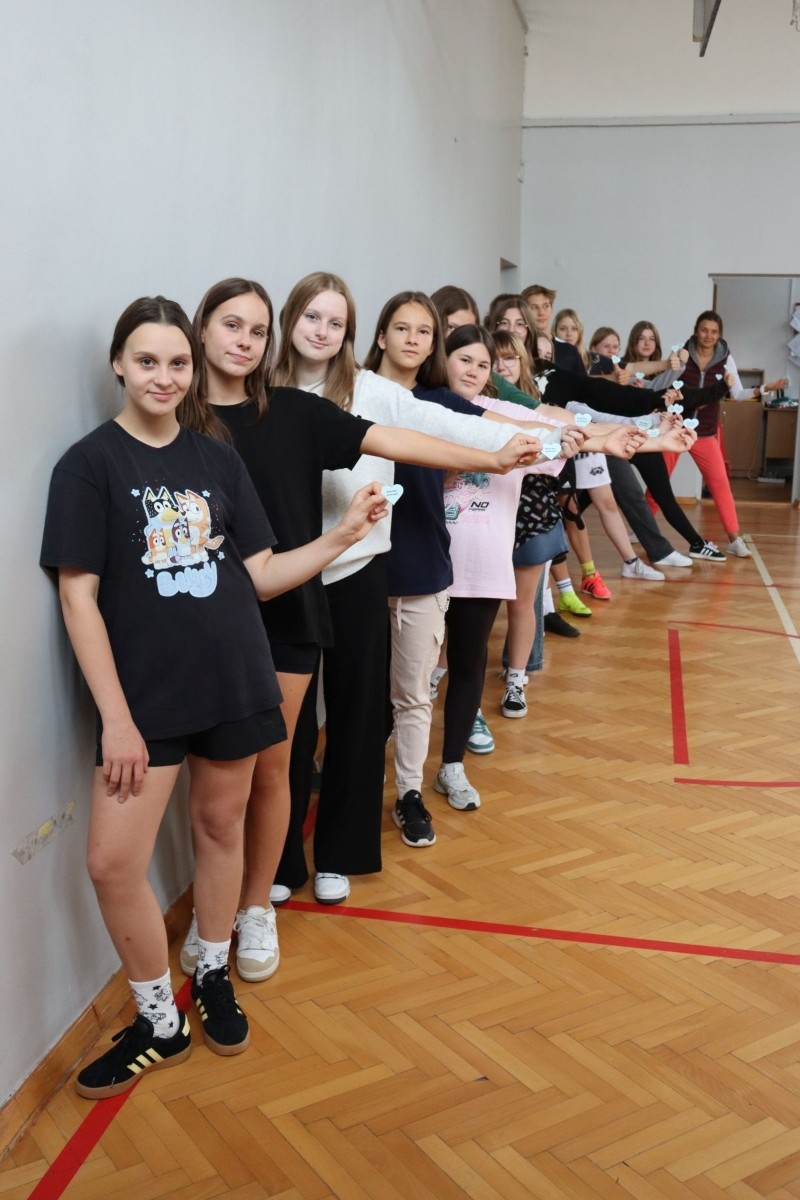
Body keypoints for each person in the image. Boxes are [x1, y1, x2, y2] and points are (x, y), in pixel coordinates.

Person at [40, 296, 387, 1098]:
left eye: (176, 363)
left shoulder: (216, 457)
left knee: (220, 827)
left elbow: (260, 575)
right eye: (147, 361)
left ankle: (214, 970)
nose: (163, 377)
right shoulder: (89, 465)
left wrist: (340, 538)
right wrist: (116, 719)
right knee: (111, 862)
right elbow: (77, 599)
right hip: (146, 698)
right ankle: (159, 1020)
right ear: (119, 365)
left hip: (235, 676)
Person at [270, 272, 543, 903]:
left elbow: (448, 425)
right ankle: (279, 862)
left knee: (357, 715)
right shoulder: (265, 389)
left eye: (335, 322)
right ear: (290, 320)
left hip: (357, 569)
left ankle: (339, 853)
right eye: (312, 317)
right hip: (286, 574)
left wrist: (528, 443)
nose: (322, 331)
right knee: (289, 729)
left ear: (350, 333)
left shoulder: (370, 390)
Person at [667, 310, 788, 558]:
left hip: (704, 433)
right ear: (696, 331)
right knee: (658, 481)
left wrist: (764, 388)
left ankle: (734, 539)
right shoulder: (682, 354)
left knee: (721, 486)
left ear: (719, 335)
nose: (708, 336)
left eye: (714, 332)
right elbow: (666, 387)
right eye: (704, 330)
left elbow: (738, 394)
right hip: (675, 429)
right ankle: (640, 530)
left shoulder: (725, 359)